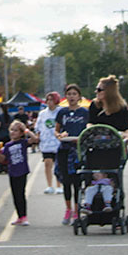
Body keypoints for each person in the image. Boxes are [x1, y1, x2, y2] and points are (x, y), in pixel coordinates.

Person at [54, 83, 90, 225]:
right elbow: (56, 130)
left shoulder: (84, 112)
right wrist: (59, 135)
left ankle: (76, 210)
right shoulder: (62, 112)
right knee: (66, 181)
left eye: (74, 94)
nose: (72, 97)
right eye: (69, 94)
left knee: (77, 182)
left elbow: (88, 129)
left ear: (79, 96)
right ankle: (68, 209)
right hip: (65, 149)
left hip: (78, 150)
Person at [1, 119, 38, 226]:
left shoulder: (23, 142)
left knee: (21, 194)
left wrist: (26, 130)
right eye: (11, 130)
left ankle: (24, 216)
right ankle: (19, 216)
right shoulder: (7, 145)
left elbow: (35, 139)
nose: (13, 132)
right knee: (15, 195)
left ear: (21, 133)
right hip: (12, 172)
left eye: (16, 130)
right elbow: (2, 159)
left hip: (22, 171)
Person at [35, 92, 62, 194]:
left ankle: (59, 185)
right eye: (48, 100)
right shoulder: (42, 113)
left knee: (58, 165)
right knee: (47, 163)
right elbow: (38, 127)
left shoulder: (61, 111)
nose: (49, 102)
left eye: (52, 100)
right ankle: (49, 185)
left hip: (57, 142)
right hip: (46, 142)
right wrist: (38, 137)